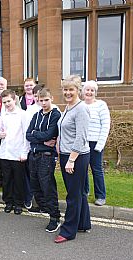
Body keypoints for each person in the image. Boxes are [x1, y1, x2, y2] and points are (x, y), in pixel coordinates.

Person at [55, 75, 91, 244]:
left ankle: (69, 231)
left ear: (78, 90)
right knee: (79, 192)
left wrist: (71, 160)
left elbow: (81, 137)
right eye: (65, 89)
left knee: (73, 195)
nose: (68, 92)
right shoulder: (69, 107)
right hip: (67, 154)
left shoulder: (81, 109)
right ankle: (83, 223)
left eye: (71, 89)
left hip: (76, 157)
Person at [26, 87, 61, 232]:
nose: (44, 103)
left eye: (46, 100)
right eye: (41, 100)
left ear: (51, 98)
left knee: (47, 186)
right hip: (34, 154)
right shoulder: (36, 115)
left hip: (46, 156)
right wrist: (39, 137)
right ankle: (43, 207)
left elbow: (49, 134)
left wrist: (37, 136)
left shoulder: (55, 114)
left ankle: (55, 217)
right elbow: (28, 134)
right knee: (35, 184)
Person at [0, 89, 31, 215]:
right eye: (4, 102)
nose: (7, 104)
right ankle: (8, 202)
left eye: (9, 101)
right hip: (5, 152)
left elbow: (26, 135)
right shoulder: (3, 114)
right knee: (7, 179)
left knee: (18, 180)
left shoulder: (22, 114)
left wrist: (24, 152)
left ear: (14, 100)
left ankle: (18, 203)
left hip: (18, 153)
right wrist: (0, 134)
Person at [83, 80, 110, 206]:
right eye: (87, 89)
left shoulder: (101, 105)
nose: (89, 92)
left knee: (96, 170)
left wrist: (100, 145)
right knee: (82, 169)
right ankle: (85, 191)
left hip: (95, 143)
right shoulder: (80, 105)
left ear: (95, 92)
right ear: (83, 91)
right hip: (82, 143)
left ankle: (100, 196)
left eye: (92, 90)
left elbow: (105, 126)